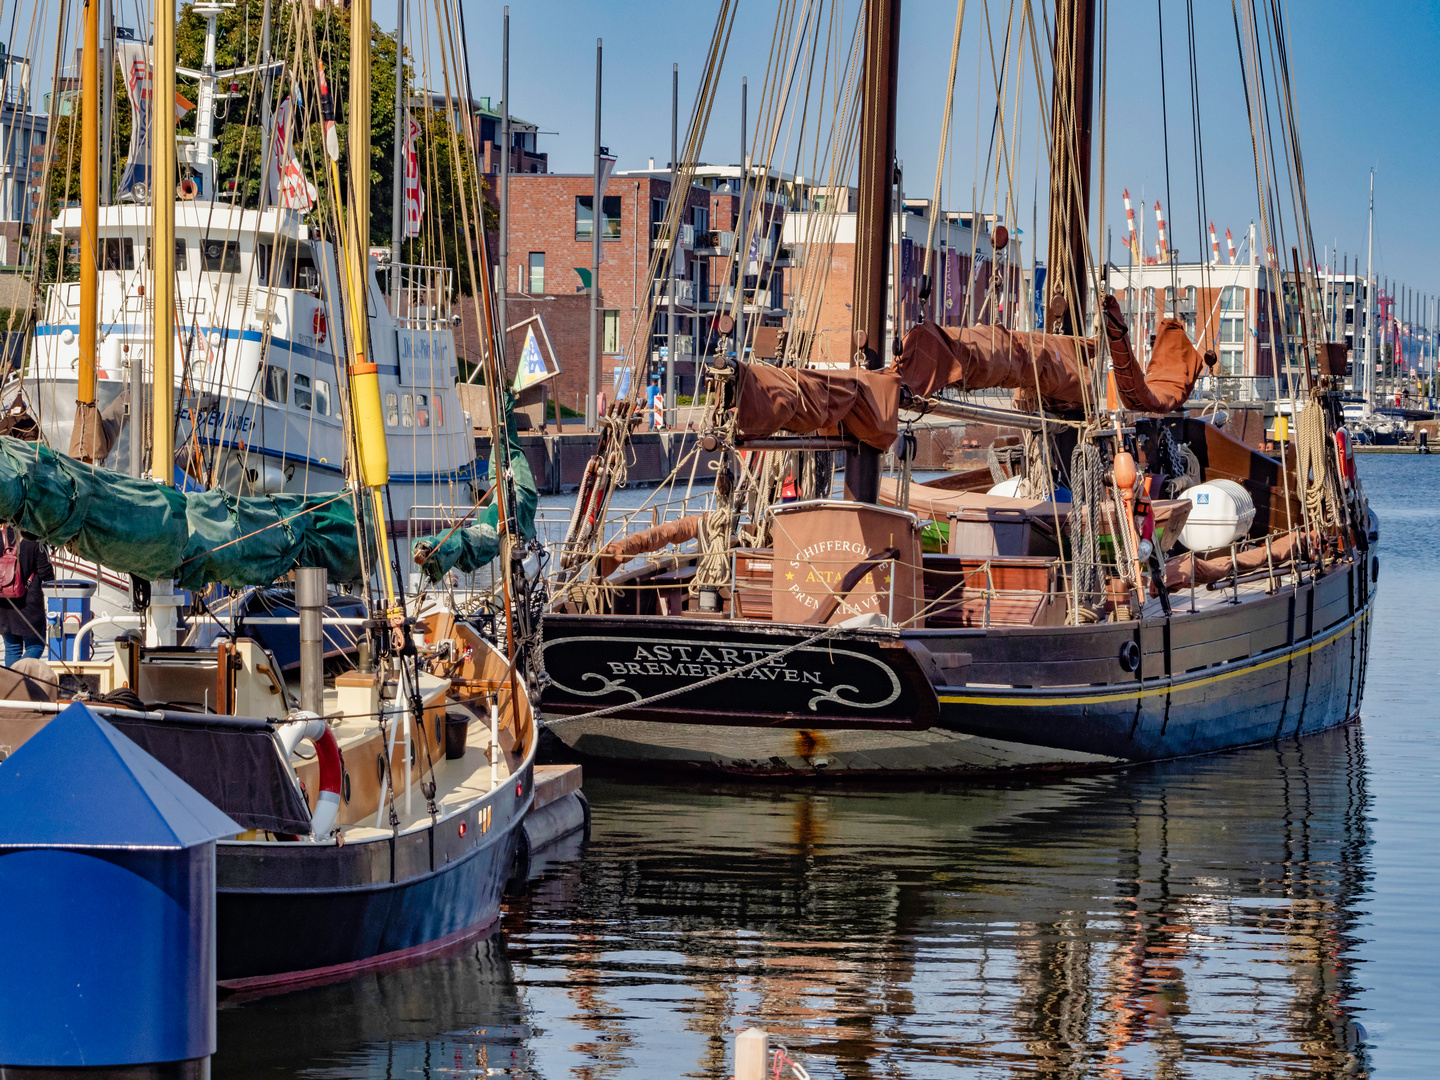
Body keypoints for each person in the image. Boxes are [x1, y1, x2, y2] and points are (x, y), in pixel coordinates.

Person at [0, 525, 53, 665]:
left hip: (4, 603)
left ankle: (14, 681)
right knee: (36, 646)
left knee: (12, 648)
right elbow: (46, 574)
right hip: (29, 604)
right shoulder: (35, 539)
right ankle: (20, 676)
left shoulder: (0, 535)